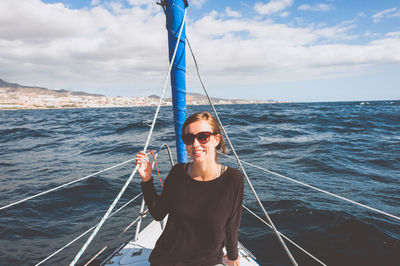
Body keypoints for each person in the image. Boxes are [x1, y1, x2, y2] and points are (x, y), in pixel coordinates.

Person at [136, 111, 244, 266]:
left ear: (216, 139)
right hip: (166, 260)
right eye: (188, 138)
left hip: (208, 262)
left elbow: (232, 224)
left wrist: (233, 257)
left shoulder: (233, 179)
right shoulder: (178, 172)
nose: (195, 144)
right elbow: (158, 213)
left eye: (203, 136)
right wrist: (146, 179)